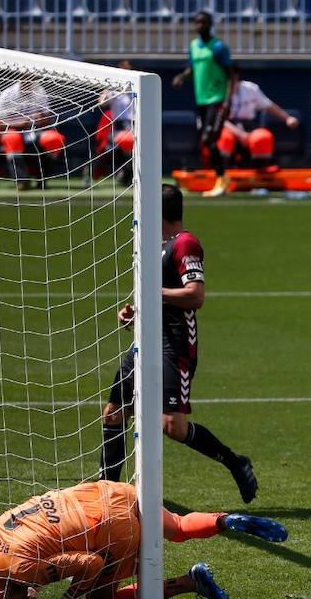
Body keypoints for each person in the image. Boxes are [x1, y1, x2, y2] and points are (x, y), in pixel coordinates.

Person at [101, 184, 260, 500]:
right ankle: (107, 493)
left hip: (175, 346)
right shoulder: (155, 245)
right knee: (113, 412)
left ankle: (235, 462)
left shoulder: (185, 244)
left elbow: (195, 295)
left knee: (172, 426)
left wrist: (153, 296)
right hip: (146, 341)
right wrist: (134, 313)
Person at [0, 479, 287, 599]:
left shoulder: (21, 570)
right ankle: (225, 520)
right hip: (107, 491)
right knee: (176, 526)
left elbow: (91, 564)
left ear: (2, 596)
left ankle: (190, 582)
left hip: (109, 526)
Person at [172, 12, 237, 198]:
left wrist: (227, 101)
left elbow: (231, 75)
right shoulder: (194, 46)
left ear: (210, 25)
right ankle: (222, 178)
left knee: (209, 138)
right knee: (207, 140)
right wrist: (182, 77)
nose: (199, 25)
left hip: (216, 100)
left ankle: (222, 179)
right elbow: (192, 67)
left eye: (203, 22)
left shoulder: (218, 47)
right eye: (197, 22)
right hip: (201, 100)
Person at [0, 75, 61, 190]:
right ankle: (22, 180)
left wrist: (41, 118)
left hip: (35, 130)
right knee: (11, 138)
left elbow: (47, 119)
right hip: (13, 130)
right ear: (20, 77)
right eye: (26, 77)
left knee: (54, 139)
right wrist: (20, 123)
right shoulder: (8, 94)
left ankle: (42, 179)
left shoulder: (40, 92)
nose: (29, 80)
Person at [221, 75, 299, 167]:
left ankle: (262, 174)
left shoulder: (250, 88)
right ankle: (221, 172)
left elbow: (268, 105)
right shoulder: (215, 90)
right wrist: (239, 134)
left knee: (263, 137)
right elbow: (216, 117)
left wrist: (287, 118)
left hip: (248, 125)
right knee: (226, 138)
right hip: (225, 126)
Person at [95, 59, 136, 186]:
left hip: (136, 124)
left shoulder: (137, 86)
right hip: (119, 126)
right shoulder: (115, 88)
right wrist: (106, 92)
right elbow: (102, 103)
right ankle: (124, 173)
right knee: (124, 142)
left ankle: (128, 173)